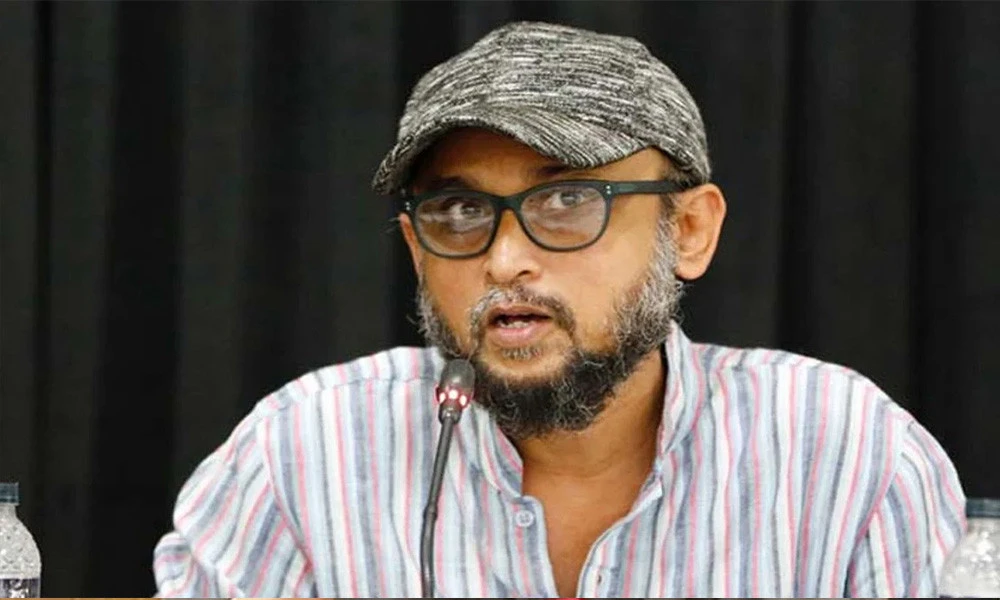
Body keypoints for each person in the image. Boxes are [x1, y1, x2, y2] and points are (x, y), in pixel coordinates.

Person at [153, 21, 965, 598]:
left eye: (569, 200)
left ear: (688, 230)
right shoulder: (302, 457)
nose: (505, 259)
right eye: (460, 212)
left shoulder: (851, 459)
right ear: (415, 250)